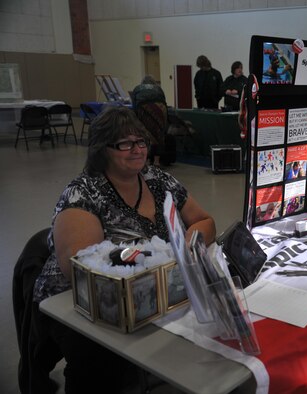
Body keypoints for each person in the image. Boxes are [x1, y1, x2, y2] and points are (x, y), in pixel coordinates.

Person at [32, 106, 216, 392]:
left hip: (152, 291)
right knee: (103, 366)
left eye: (140, 141)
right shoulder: (84, 192)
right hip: (76, 303)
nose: (137, 149)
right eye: (125, 143)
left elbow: (204, 221)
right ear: (102, 149)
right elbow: (88, 276)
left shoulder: (159, 180)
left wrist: (186, 248)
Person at [131, 75, 168, 167]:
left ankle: (146, 160)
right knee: (159, 135)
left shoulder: (137, 88)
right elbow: (164, 102)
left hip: (144, 109)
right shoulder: (158, 89)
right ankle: (156, 161)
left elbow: (134, 105)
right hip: (160, 109)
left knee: (145, 134)